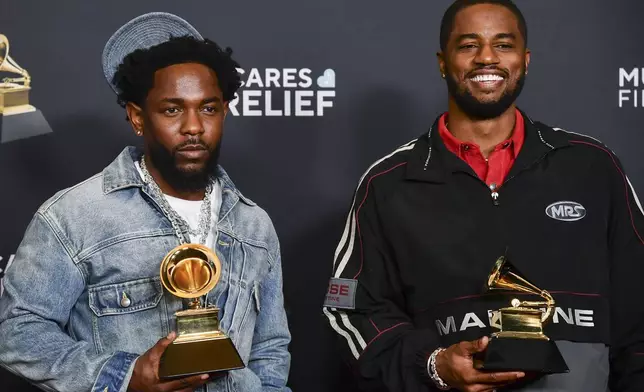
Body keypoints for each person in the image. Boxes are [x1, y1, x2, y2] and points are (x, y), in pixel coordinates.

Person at [323, 0, 644, 391]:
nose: (487, 58)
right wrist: (435, 364)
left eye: (503, 45)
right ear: (443, 61)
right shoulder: (388, 183)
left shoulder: (592, 166)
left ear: (525, 60)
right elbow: (352, 312)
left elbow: (638, 306)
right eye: (469, 45)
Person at [0, 12, 291, 392]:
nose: (193, 127)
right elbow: (17, 333)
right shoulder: (73, 216)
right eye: (172, 109)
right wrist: (125, 376)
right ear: (137, 118)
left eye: (208, 108)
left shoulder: (254, 225)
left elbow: (270, 347)